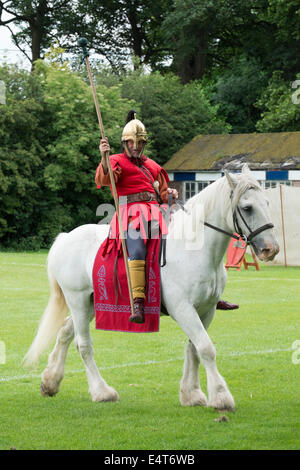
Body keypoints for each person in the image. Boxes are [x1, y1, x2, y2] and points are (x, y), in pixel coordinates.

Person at [95, 111, 238, 325]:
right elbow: (106, 179)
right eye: (132, 142)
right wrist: (104, 158)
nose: (136, 146)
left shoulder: (152, 166)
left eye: (140, 142)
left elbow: (161, 193)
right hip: (130, 214)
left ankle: (209, 295)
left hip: (156, 212)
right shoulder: (115, 161)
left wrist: (168, 194)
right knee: (137, 248)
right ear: (125, 143)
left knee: (190, 237)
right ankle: (138, 301)